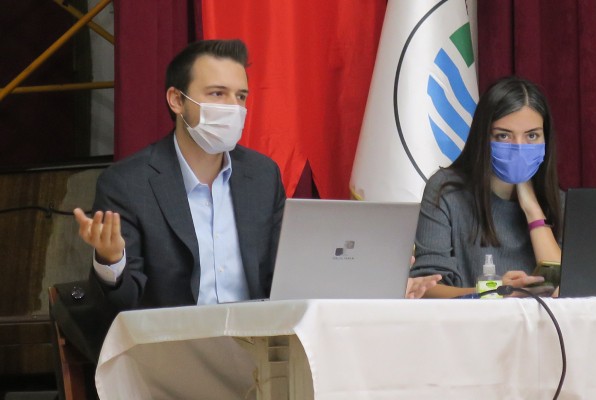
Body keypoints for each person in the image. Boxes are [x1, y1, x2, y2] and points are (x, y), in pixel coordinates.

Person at [73, 39, 438, 314]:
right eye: (217, 94)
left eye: (241, 96)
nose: (233, 108)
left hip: (260, 343)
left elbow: (288, 277)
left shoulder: (261, 176)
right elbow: (123, 305)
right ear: (177, 100)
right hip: (175, 350)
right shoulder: (128, 183)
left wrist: (374, 281)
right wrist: (111, 261)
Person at [409, 76, 563, 298]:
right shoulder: (446, 191)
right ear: (483, 136)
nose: (519, 148)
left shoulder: (558, 200)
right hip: (469, 320)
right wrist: (496, 292)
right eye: (504, 135)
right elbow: (425, 289)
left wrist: (533, 211)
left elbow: (564, 289)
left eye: (532, 135)